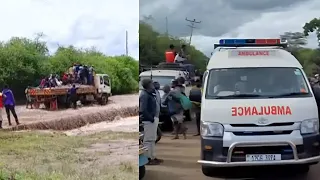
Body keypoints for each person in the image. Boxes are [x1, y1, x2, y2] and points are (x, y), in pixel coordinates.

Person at [140, 78, 163, 165]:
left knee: (152, 139)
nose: (153, 85)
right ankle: (147, 158)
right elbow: (143, 109)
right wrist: (151, 118)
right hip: (149, 120)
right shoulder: (144, 95)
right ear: (149, 84)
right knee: (148, 140)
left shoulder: (149, 93)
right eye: (152, 83)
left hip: (153, 119)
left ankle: (152, 157)